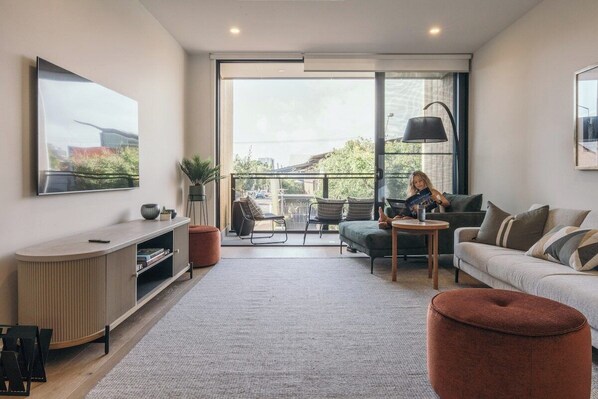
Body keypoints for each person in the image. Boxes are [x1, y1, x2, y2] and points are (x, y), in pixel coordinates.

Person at [378, 170, 450, 229]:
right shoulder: (415, 194)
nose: (418, 184)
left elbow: (447, 203)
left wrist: (437, 200)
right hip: (414, 216)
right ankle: (386, 224)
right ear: (413, 184)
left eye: (420, 181)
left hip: (424, 217)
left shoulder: (433, 191)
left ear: (425, 180)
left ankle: (387, 220)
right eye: (415, 182)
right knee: (399, 217)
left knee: (406, 219)